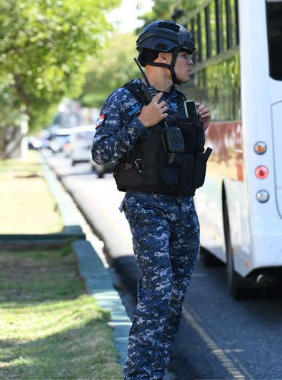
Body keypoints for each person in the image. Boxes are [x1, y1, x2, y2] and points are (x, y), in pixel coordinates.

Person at [92, 20, 211, 379]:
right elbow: (100, 152)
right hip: (148, 209)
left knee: (174, 302)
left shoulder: (179, 101)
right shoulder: (125, 99)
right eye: (185, 56)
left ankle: (156, 371)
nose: (191, 63)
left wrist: (198, 127)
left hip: (183, 209)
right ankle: (140, 375)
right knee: (156, 297)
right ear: (162, 57)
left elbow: (175, 155)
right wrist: (140, 123)